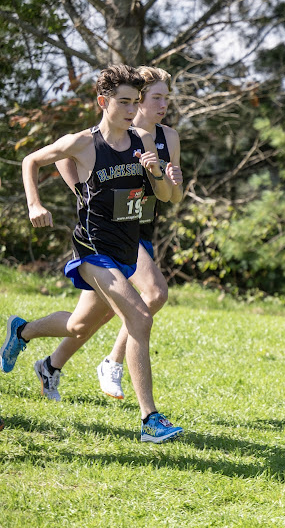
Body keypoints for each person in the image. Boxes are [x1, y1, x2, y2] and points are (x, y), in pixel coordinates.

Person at [1, 64, 184, 443]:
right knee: (140, 317)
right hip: (92, 250)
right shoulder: (82, 143)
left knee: (79, 326)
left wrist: (158, 175)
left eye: (136, 102)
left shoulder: (142, 140)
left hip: (126, 250)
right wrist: (35, 204)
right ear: (103, 102)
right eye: (124, 102)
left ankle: (22, 331)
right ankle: (150, 419)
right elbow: (30, 160)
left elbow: (165, 198)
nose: (132, 110)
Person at [47, 66, 183, 401]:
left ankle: (45, 358)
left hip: (141, 226)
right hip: (112, 233)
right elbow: (64, 155)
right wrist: (82, 189)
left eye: (166, 98)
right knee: (154, 295)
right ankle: (114, 363)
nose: (162, 104)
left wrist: (170, 180)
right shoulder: (118, 128)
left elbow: (172, 197)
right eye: (156, 98)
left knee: (85, 321)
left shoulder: (167, 137)